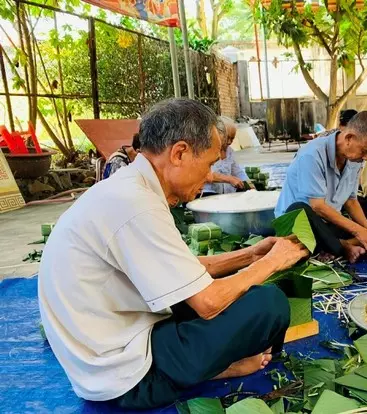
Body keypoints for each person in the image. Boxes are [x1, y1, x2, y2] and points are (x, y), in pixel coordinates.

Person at [38, 98, 309, 410]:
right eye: (208, 164)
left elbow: (181, 271)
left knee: (220, 296)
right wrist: (274, 261)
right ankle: (215, 370)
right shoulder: (135, 205)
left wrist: (251, 255)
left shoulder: (131, 189)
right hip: (125, 377)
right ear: (179, 153)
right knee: (267, 303)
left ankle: (208, 366)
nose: (210, 176)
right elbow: (206, 303)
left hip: (111, 347)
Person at [274, 111, 367, 263]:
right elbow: (317, 207)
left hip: (327, 225)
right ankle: (341, 246)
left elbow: (351, 201)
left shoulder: (354, 159)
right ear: (349, 138)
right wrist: (359, 232)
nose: (366, 157)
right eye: (365, 151)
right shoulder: (312, 154)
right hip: (301, 225)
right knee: (299, 210)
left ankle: (335, 246)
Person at [202, 116, 252, 196]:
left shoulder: (230, 151)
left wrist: (250, 186)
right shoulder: (206, 150)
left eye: (232, 139)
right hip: (208, 192)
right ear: (217, 134)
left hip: (227, 194)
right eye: (227, 138)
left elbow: (238, 172)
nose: (229, 142)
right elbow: (206, 175)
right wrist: (229, 179)